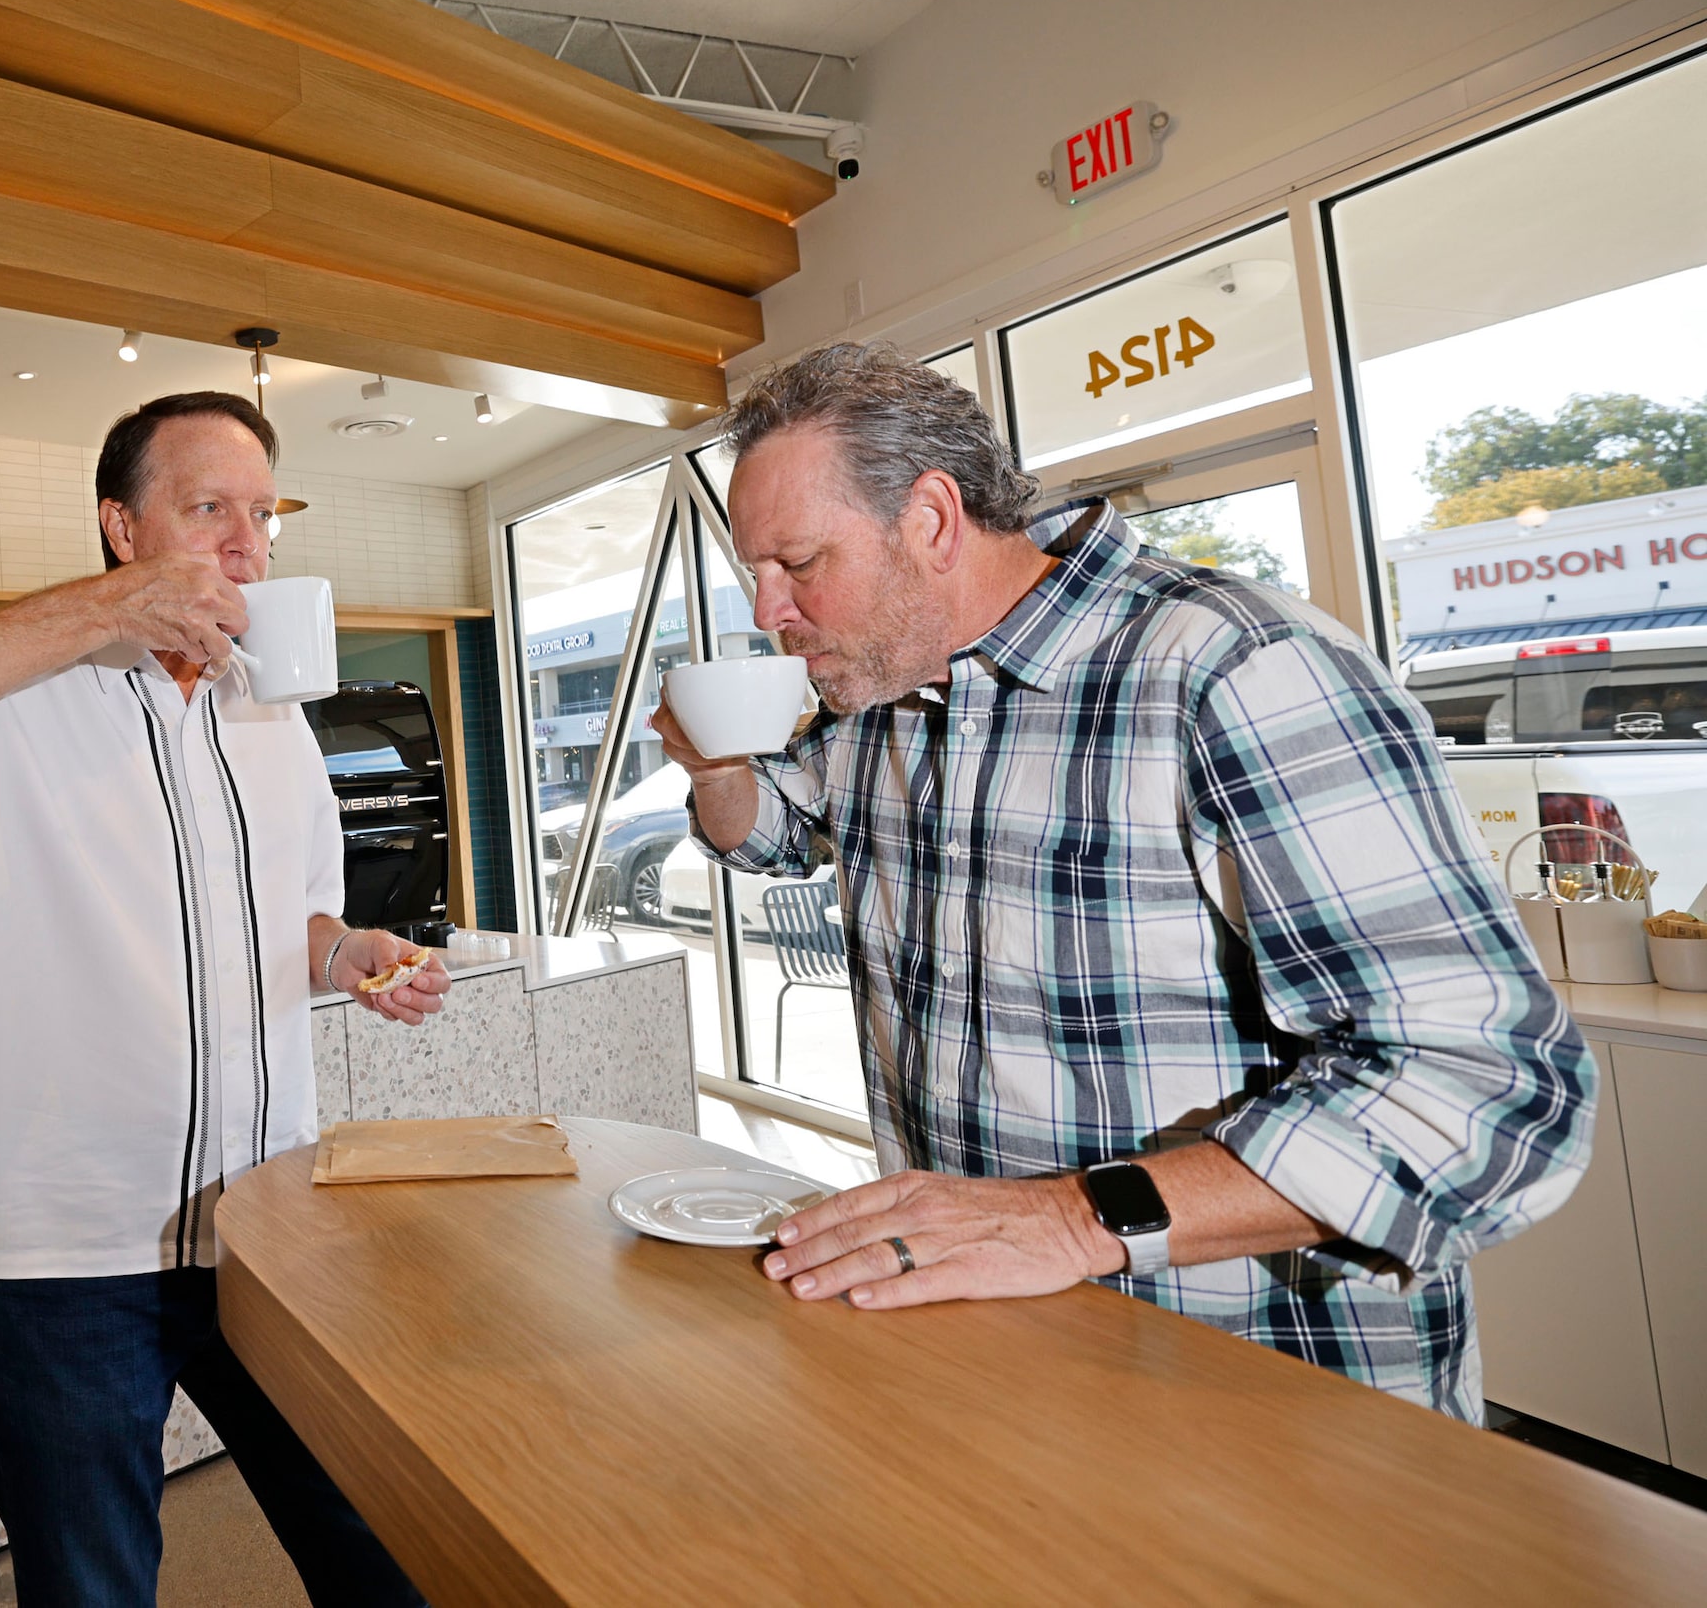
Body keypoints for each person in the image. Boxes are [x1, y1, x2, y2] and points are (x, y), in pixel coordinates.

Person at [655, 343, 1592, 1421]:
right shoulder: (873, 706)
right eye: (755, 574)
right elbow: (772, 832)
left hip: (1268, 1398)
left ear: (929, 518)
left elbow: (1483, 1090)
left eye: (800, 562)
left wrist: (1064, 1221)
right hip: (1002, 1362)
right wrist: (718, 766)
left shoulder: (1232, 667)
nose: (769, 611)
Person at [0, 391, 443, 1608]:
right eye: (205, 510)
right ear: (120, 530)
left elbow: (297, 920)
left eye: (262, 513)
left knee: (376, 1548)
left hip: (267, 1223)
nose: (246, 544)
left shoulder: (267, 710)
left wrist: (345, 957)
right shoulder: (1, 677)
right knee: (92, 1590)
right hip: (57, 1258)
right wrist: (92, 617)